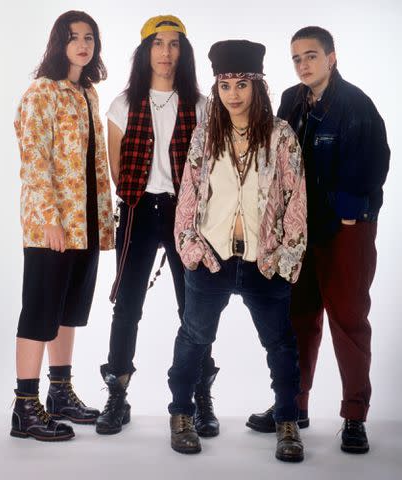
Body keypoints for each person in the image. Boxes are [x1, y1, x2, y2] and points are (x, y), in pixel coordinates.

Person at [246, 26, 390, 454]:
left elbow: (374, 165)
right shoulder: (291, 100)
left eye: (311, 56)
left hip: (345, 231)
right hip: (299, 230)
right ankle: (293, 407)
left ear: (332, 58)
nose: (304, 64)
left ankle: (354, 417)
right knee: (298, 319)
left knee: (347, 320)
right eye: (296, 58)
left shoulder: (357, 104)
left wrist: (349, 213)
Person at [167, 40, 307, 462]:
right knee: (193, 339)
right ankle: (181, 415)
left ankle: (287, 420)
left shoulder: (281, 135)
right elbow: (188, 195)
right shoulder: (206, 133)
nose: (233, 94)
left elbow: (295, 198)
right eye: (225, 85)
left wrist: (285, 256)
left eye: (241, 84)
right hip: (212, 257)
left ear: (257, 86)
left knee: (280, 344)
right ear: (217, 88)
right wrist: (191, 247)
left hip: (264, 261)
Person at [96, 15, 219, 437]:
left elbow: (207, 166)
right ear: (145, 50)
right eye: (158, 44)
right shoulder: (123, 104)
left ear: (182, 52)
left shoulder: (201, 105)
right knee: (127, 304)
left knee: (194, 306)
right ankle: (117, 392)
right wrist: (143, 196)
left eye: (174, 44)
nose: (166, 53)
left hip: (186, 213)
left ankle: (200, 396)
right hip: (137, 209)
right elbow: (117, 169)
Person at [12, 10, 114, 441]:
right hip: (50, 226)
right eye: (73, 37)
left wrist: (104, 218)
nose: (83, 44)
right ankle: (24, 406)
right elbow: (35, 162)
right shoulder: (42, 93)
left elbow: (93, 163)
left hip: (85, 223)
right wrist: (50, 220)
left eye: (89, 37)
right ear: (59, 43)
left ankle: (60, 391)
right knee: (40, 312)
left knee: (70, 311)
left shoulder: (88, 92)